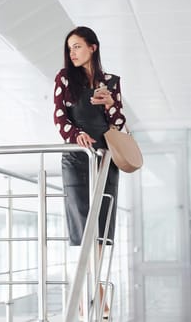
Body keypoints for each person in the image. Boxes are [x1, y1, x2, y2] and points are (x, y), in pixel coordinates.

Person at [53, 26, 126, 319]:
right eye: (69, 48)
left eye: (78, 47)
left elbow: (119, 124)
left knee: (100, 229)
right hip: (77, 158)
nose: (72, 53)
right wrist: (75, 134)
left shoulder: (111, 82)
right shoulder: (63, 78)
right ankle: (91, 297)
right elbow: (59, 116)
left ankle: (91, 295)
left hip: (105, 157)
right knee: (85, 230)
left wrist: (111, 104)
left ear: (93, 47)